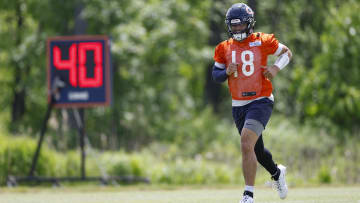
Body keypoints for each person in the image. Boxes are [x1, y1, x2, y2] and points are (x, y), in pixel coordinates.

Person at [212, 3, 292, 203]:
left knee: (246, 142)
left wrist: (275, 68)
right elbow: (216, 75)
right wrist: (226, 72)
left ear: (249, 24)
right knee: (255, 150)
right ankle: (276, 173)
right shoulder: (224, 47)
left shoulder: (263, 40)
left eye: (241, 25)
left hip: (260, 100)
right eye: (234, 26)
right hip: (238, 105)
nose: (237, 29)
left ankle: (248, 195)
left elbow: (287, 53)